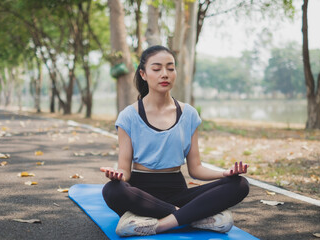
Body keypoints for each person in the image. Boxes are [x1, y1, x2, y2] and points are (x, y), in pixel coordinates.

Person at [100, 45, 249, 237]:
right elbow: (125, 171)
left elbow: (195, 169)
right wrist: (117, 175)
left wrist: (225, 173)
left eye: (170, 68)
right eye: (157, 69)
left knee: (239, 184)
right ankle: (195, 217)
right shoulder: (128, 116)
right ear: (143, 74)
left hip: (178, 191)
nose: (165, 74)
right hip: (140, 195)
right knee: (112, 190)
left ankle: (159, 225)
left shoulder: (189, 114)